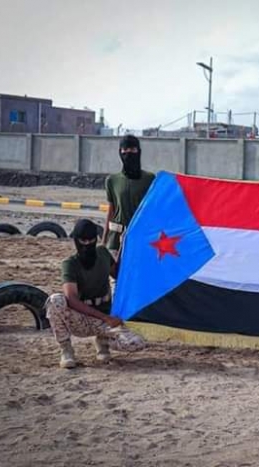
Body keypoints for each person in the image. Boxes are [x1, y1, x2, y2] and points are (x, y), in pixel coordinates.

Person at [45, 219, 145, 369]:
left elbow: (119, 275)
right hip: (81, 319)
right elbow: (71, 299)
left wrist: (126, 247)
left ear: (95, 239)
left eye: (91, 240)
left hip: (104, 320)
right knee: (55, 301)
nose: (87, 244)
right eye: (83, 241)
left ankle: (103, 342)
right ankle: (66, 349)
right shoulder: (70, 264)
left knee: (136, 343)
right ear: (76, 240)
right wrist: (105, 318)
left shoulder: (103, 254)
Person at [102, 134, 155, 259]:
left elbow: (153, 210)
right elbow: (111, 211)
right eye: (125, 150)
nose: (128, 153)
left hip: (141, 238)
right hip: (116, 239)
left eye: (132, 149)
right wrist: (104, 241)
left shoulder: (149, 179)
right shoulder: (112, 181)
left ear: (138, 151)